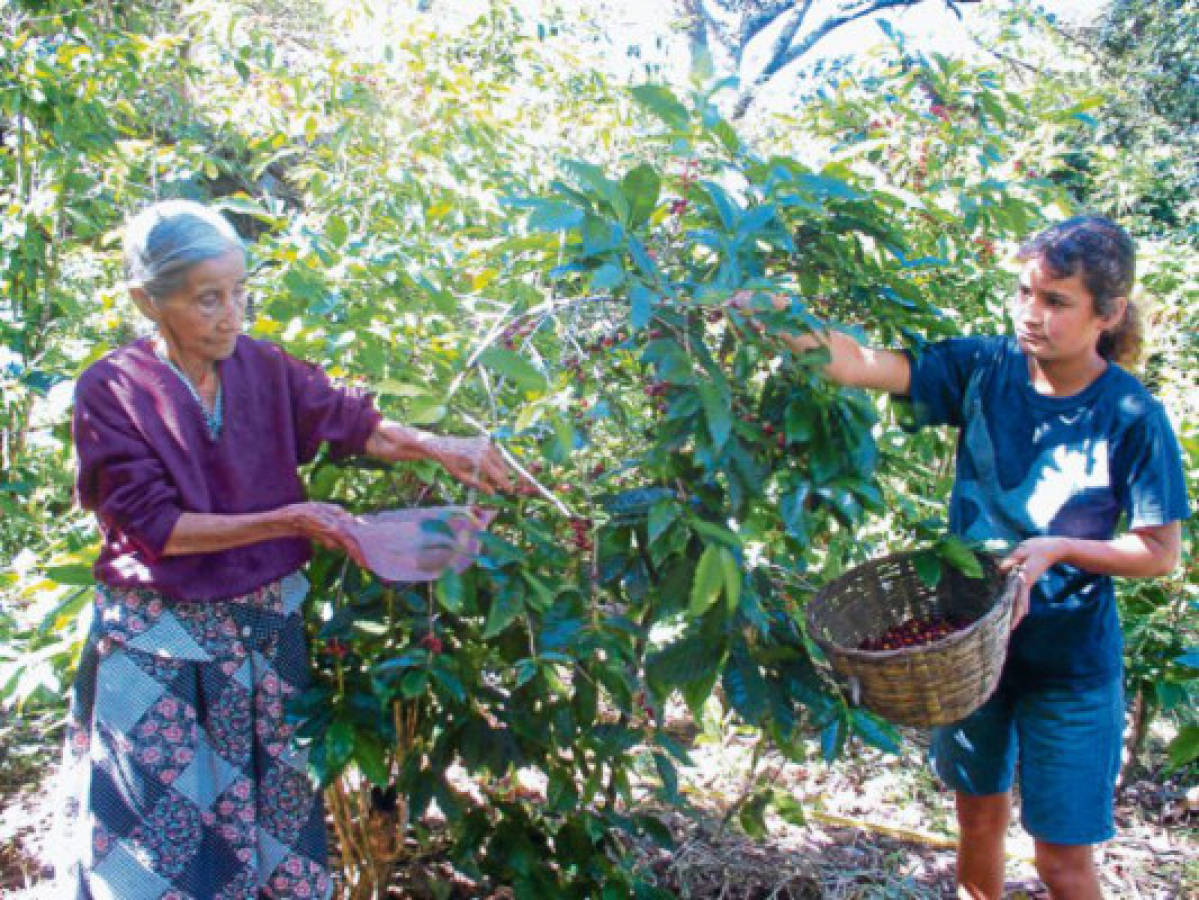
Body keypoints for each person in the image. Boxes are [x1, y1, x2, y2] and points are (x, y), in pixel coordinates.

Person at [62, 199, 520, 899]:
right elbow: (156, 526)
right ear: (145, 301)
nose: (231, 315)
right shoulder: (114, 390)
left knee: (270, 826)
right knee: (159, 843)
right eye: (207, 299)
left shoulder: (262, 368)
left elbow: (349, 420)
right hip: (159, 644)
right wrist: (290, 520)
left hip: (263, 636)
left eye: (240, 293)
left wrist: (443, 447)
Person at [756, 215, 1188, 899]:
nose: (1030, 315)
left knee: (1061, 865)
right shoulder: (983, 370)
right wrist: (754, 297)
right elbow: (853, 362)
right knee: (978, 824)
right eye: (1023, 293)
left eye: (1054, 301)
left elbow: (1159, 552)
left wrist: (1058, 549)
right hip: (965, 653)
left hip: (1068, 668)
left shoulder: (1129, 414)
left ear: (1106, 314)